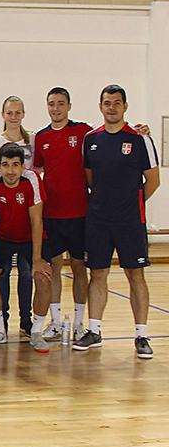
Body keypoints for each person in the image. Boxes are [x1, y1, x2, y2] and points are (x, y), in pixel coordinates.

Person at [74, 85, 159, 359]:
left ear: (125, 106)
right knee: (97, 273)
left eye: (117, 103)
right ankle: (95, 330)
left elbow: (153, 180)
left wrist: (130, 203)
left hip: (130, 221)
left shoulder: (139, 138)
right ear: (100, 107)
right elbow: (90, 178)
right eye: (107, 103)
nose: (112, 107)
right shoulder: (91, 139)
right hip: (98, 220)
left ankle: (142, 334)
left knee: (136, 274)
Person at [0, 144, 52, 353]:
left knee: (43, 277)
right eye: (6, 165)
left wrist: (37, 258)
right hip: (3, 237)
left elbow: (37, 220)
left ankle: (36, 332)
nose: (10, 171)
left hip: (29, 238)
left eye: (15, 165)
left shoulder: (33, 179)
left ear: (23, 167)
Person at [33, 88, 92, 342]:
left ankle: (79, 324)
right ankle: (56, 323)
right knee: (53, 268)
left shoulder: (83, 132)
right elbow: (35, 170)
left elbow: (112, 130)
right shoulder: (41, 137)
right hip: (52, 214)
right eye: (51, 104)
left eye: (60, 104)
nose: (55, 108)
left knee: (79, 268)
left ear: (69, 105)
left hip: (80, 213)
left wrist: (139, 128)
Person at [0, 95, 35, 336]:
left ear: (23, 114)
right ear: (3, 114)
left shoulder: (33, 139)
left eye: (18, 112)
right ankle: (2, 321)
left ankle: (26, 321)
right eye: (9, 112)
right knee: (2, 273)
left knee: (27, 274)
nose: (14, 116)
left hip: (28, 215)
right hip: (5, 217)